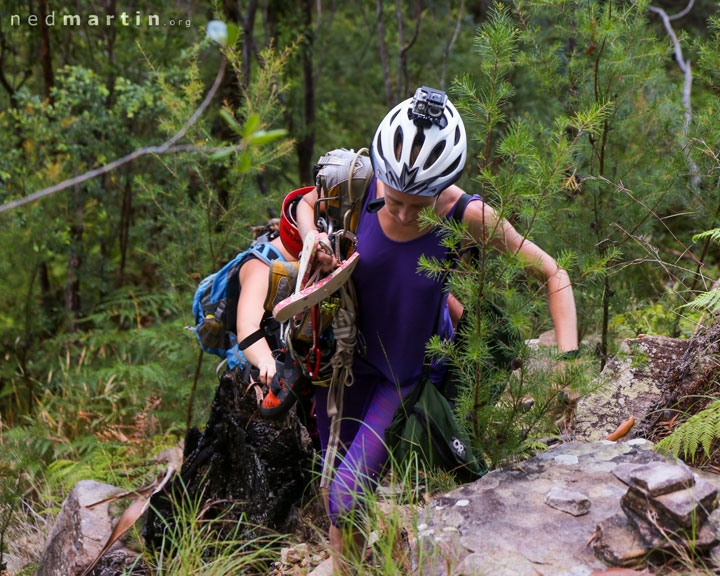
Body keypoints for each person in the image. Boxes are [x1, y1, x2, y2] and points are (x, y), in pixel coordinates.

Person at [297, 87, 578, 574]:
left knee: (345, 495)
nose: (404, 214)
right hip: (340, 365)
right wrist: (316, 238)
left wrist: (567, 364)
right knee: (333, 488)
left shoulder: (464, 216)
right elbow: (305, 203)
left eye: (417, 205)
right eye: (397, 201)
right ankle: (353, 565)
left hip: (400, 376)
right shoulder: (359, 184)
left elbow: (553, 272)